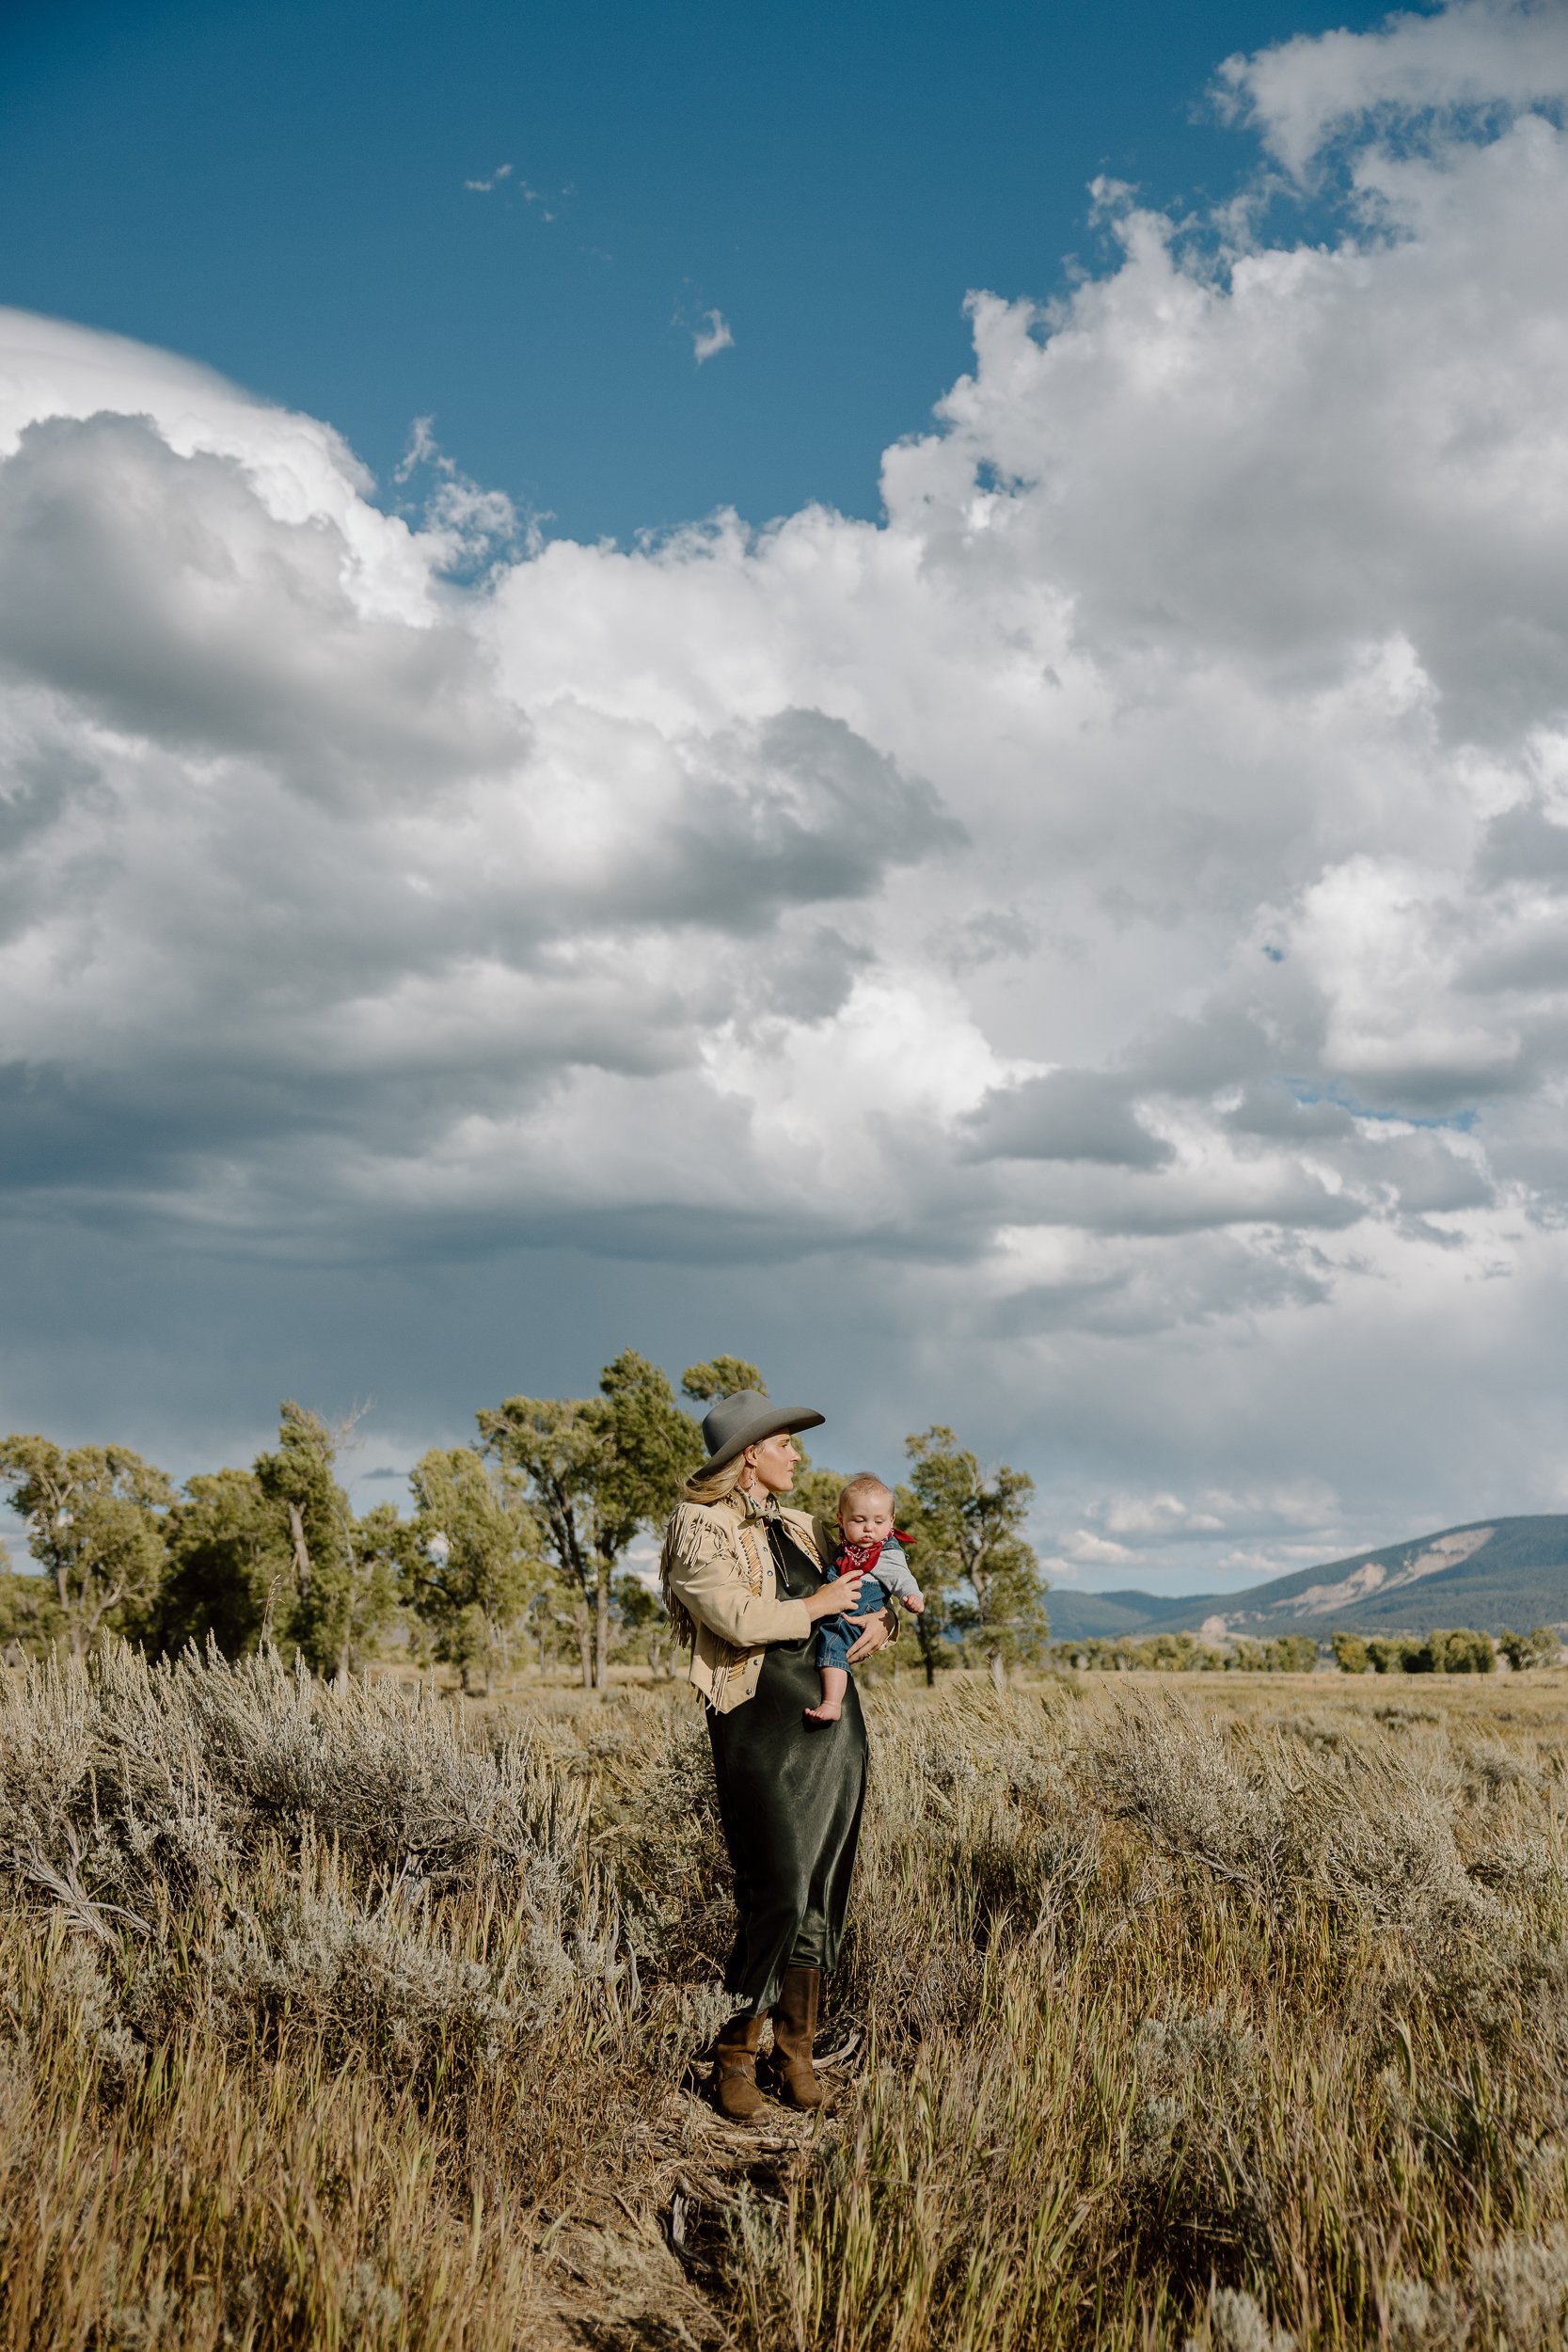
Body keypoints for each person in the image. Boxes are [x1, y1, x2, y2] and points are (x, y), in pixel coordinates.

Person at [659, 1389, 895, 2120]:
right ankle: (733, 2057)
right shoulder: (699, 1526)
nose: (796, 1453)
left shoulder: (797, 1525)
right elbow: (726, 1614)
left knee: (821, 1893)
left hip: (831, 1731)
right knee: (780, 1891)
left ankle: (794, 2054)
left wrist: (884, 1622)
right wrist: (814, 1610)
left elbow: (867, 1577)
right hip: (758, 1726)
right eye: (784, 1442)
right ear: (748, 1455)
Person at [805, 1474, 925, 1726]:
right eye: (859, 1520)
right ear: (841, 1519)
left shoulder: (884, 1552)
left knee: (833, 1643)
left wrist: (911, 1597)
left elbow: (901, 1578)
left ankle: (832, 1703)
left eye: (878, 1521)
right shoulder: (845, 1546)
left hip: (857, 1609)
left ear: (891, 1521)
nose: (869, 1528)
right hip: (841, 1601)